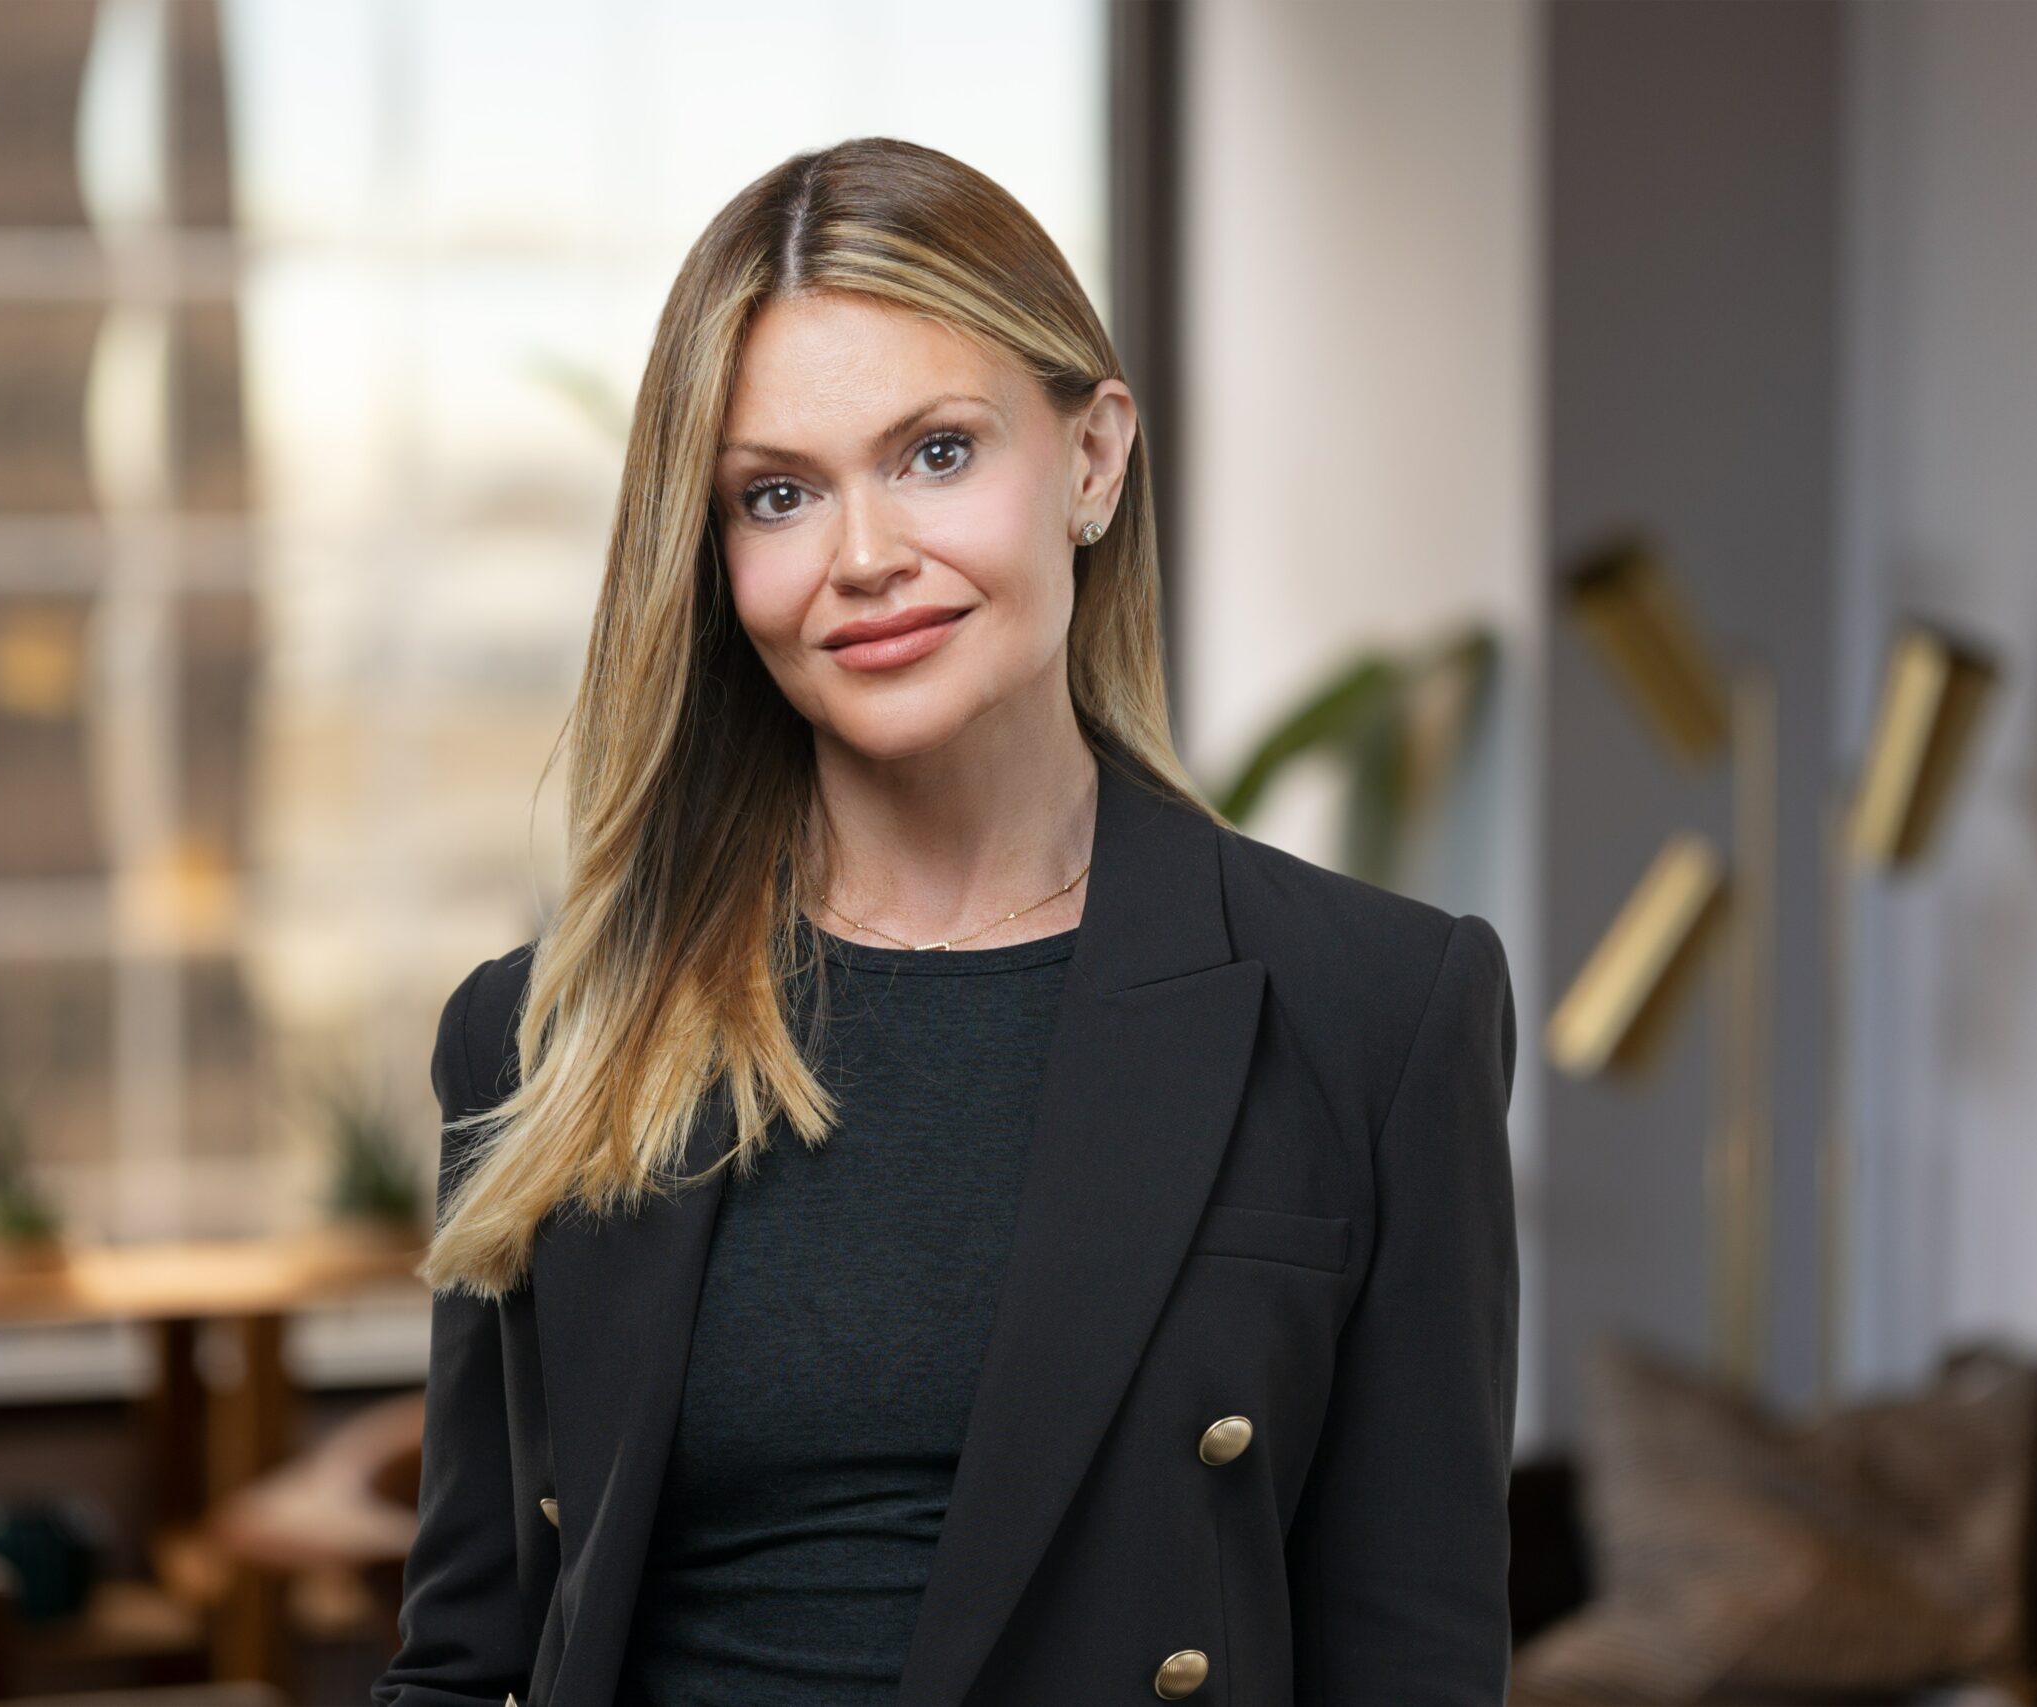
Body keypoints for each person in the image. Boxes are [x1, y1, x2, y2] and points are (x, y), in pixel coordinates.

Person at [372, 136, 1518, 1707]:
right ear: (713, 563)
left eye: (937, 453)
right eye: (777, 495)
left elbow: (1417, 1662)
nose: (864, 559)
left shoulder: (1376, 1010)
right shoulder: (546, 1035)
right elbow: (463, 1661)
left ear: (1095, 458)